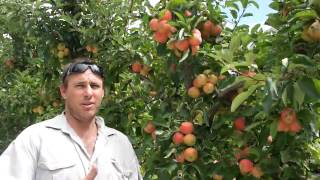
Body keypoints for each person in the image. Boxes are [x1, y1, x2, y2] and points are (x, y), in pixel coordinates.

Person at [0, 57, 142, 180]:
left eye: (95, 86)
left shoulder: (121, 144)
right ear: (63, 91)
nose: (88, 93)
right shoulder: (34, 139)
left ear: (103, 92)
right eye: (80, 86)